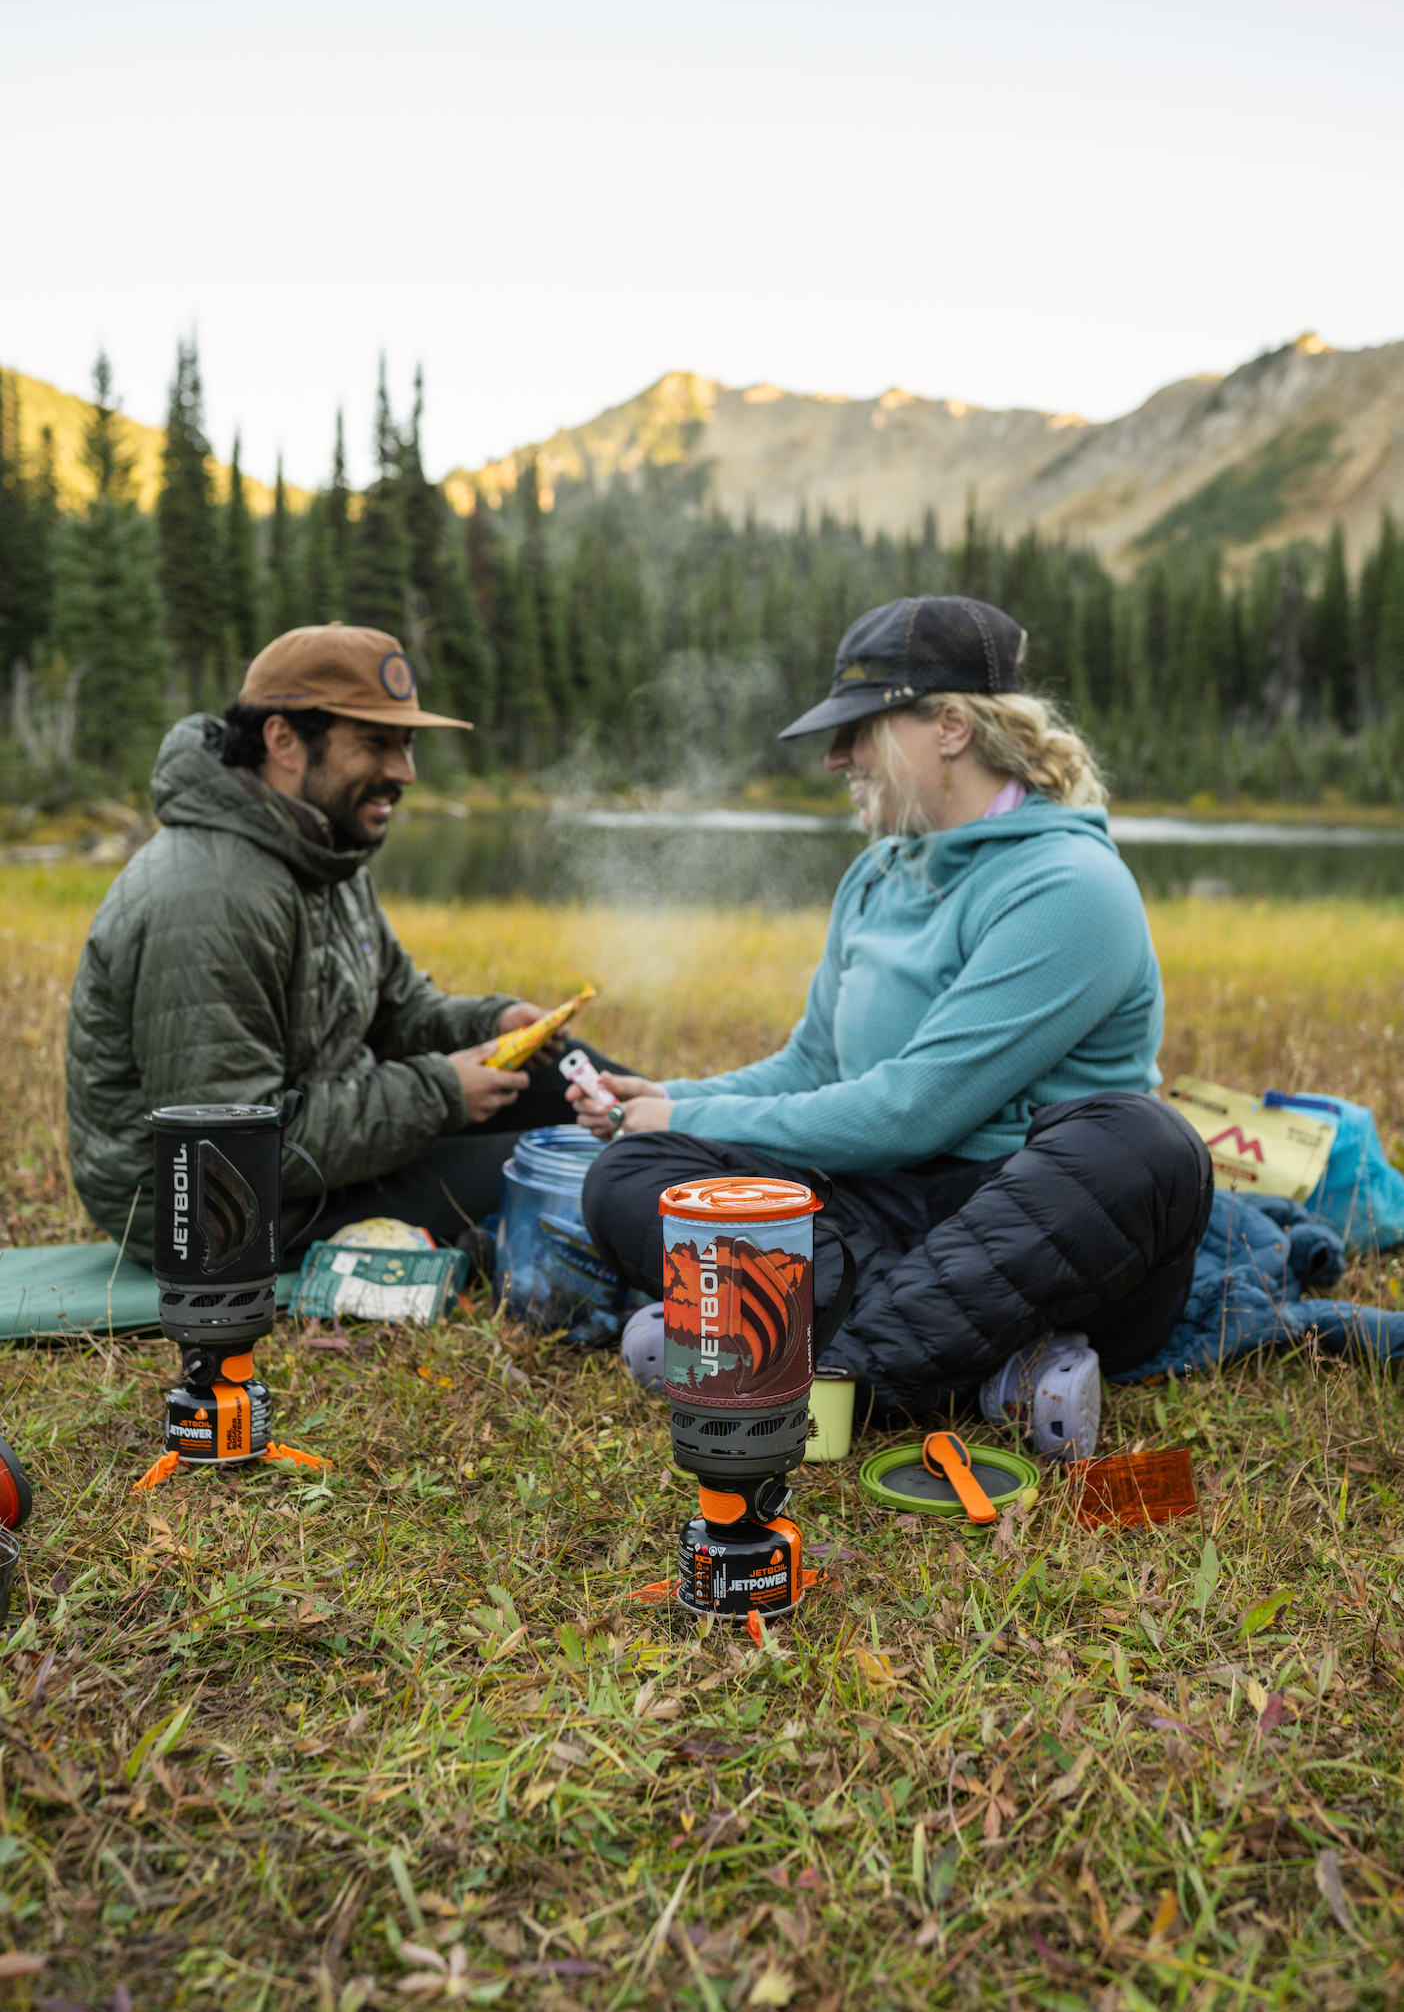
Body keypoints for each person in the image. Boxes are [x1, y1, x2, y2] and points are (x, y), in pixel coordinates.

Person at [574, 595, 1212, 1420]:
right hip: (884, 1208)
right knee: (630, 1176)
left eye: (860, 729)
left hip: (1034, 1225)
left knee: (1145, 1145)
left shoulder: (1070, 886)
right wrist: (668, 1105)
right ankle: (981, 1365)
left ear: (951, 726)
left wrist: (676, 1113)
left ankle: (797, 1359)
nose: (838, 758)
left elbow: (914, 1111)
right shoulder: (876, 875)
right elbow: (812, 1064)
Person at [66, 623, 624, 1264]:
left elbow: (399, 1014)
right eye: (375, 744)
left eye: (407, 745)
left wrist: (489, 1022)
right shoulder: (209, 897)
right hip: (220, 1213)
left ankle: (704, 1145)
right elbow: (228, 1148)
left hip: (322, 1158)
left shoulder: (323, 855)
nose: (404, 772)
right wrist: (439, 1093)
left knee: (561, 1073)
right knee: (559, 1166)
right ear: (283, 740)